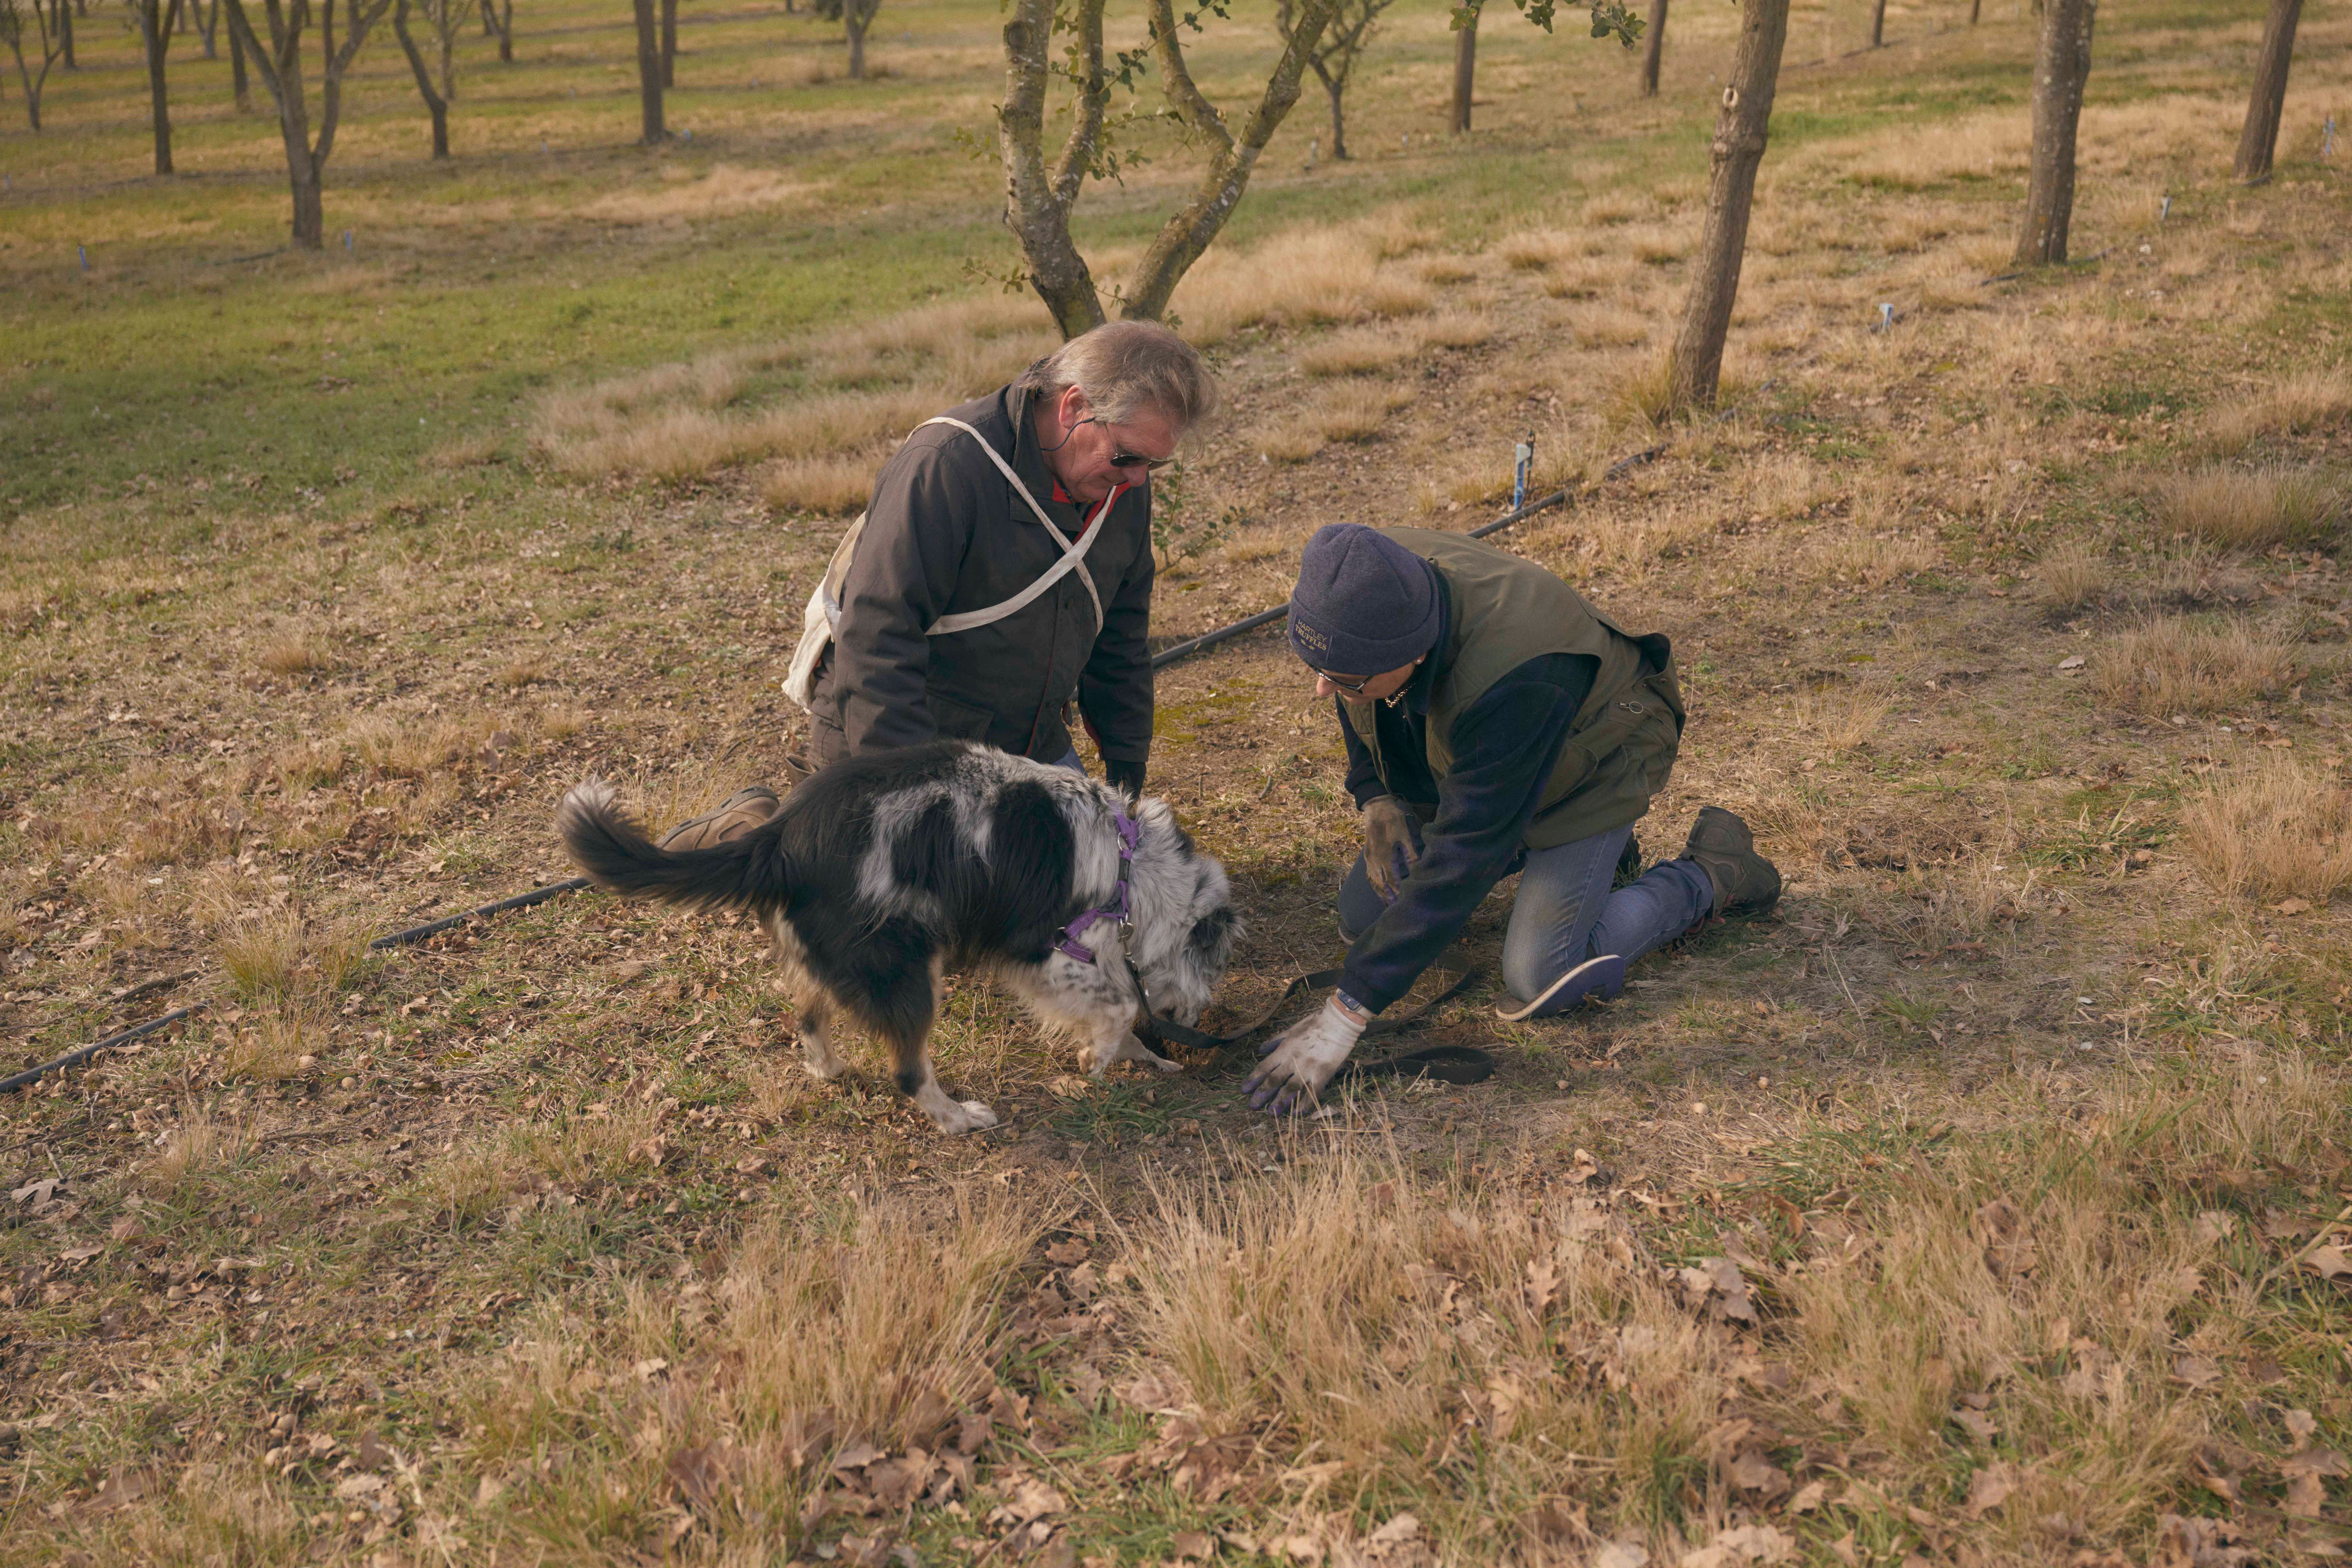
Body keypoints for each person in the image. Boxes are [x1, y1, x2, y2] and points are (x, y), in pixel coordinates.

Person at [1241, 523, 1782, 1115]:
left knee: (1540, 976)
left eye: (1344, 678)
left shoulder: (1522, 674)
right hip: (1486, 759)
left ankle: (1710, 872)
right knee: (1362, 917)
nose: (1323, 689)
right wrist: (1375, 794)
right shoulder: (1366, 579)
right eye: (1318, 667)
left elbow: (1468, 851)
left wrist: (1347, 1014)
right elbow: (1353, 685)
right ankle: (1593, 862)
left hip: (1597, 752)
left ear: (1412, 652)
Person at [657, 320, 1217, 852]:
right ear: (1073, 407)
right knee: (889, 901)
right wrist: (918, 805)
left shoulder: (1119, 485)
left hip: (1022, 740)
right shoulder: (947, 465)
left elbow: (1121, 635)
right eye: (1128, 457)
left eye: (1152, 465)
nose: (1136, 479)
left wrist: (1125, 773)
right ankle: (759, 830)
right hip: (900, 733)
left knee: (1079, 888)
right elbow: (876, 638)